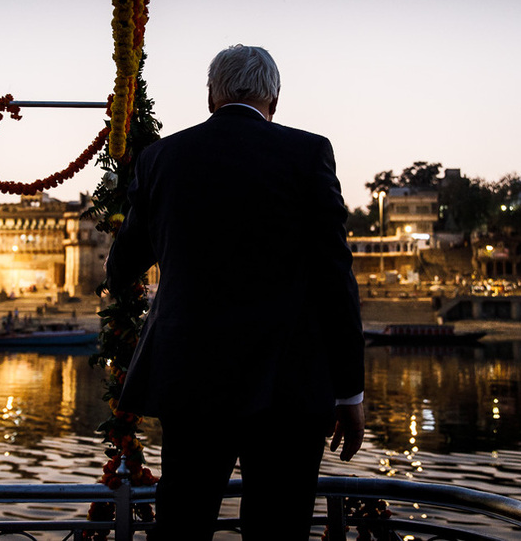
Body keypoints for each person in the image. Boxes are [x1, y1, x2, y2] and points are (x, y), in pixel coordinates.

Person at [106, 44, 365, 540]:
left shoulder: (161, 158)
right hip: (288, 384)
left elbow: (120, 271)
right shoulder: (308, 154)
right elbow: (336, 277)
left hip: (191, 380)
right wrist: (349, 390)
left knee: (184, 522)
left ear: (211, 96)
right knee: (278, 528)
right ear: (274, 98)